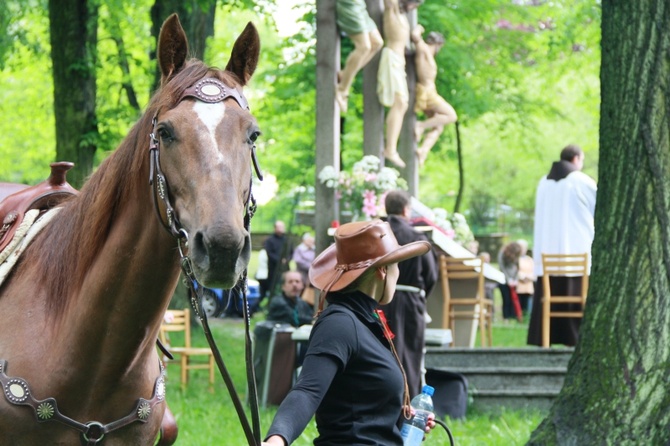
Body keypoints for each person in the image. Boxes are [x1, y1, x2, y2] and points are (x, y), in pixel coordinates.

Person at [263, 219, 436, 445]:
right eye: (397, 266)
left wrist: (400, 418)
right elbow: (307, 391)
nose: (398, 273)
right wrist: (277, 440)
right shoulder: (339, 324)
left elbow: (359, 406)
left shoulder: (365, 321)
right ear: (383, 271)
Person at [527, 144, 597, 346]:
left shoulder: (543, 182)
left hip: (547, 260)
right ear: (576, 159)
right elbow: (600, 210)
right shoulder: (581, 181)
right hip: (577, 255)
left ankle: (547, 338)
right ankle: (575, 338)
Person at [382, 190, 437, 396]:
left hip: (381, 301)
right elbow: (431, 275)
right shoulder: (417, 237)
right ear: (406, 209)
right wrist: (419, 295)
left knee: (383, 352)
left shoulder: (378, 234)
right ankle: (409, 406)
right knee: (410, 356)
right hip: (411, 302)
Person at [377, 0, 423, 168]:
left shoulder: (404, 17)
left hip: (399, 63)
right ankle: (390, 149)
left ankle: (391, 148)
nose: (413, 8)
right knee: (399, 102)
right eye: (413, 4)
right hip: (392, 59)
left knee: (402, 104)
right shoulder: (393, 9)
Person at [411, 25, 458, 166]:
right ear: (437, 44)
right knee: (451, 116)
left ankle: (423, 150)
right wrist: (419, 29)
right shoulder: (424, 49)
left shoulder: (429, 54)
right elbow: (415, 37)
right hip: (427, 92)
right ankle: (420, 126)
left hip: (430, 92)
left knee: (438, 126)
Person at [335, 0, 384, 114]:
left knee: (377, 43)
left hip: (360, 5)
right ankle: (342, 89)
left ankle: (344, 74)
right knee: (364, 47)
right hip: (349, 4)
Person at [263, 220, 293, 301]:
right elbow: (269, 253)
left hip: (285, 267)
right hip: (273, 268)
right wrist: (279, 260)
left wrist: (286, 260)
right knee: (273, 286)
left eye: (282, 227)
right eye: (279, 227)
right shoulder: (269, 240)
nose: (280, 229)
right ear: (275, 228)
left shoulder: (287, 240)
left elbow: (291, 252)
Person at [497, 241, 523, 322]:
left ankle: (514, 317)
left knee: (514, 300)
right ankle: (506, 318)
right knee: (506, 299)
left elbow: (518, 267)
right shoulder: (502, 253)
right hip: (503, 280)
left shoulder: (516, 256)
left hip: (514, 281)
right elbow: (502, 267)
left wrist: (515, 279)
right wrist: (508, 279)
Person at [292, 232, 316, 307]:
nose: (311, 243)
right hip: (302, 274)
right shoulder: (299, 249)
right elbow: (298, 261)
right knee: (300, 291)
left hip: (311, 276)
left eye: (312, 241)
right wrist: (311, 266)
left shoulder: (314, 249)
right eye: (309, 241)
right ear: (304, 241)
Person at [516, 239, 535, 314]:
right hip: (519, 283)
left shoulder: (530, 260)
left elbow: (533, 270)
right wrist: (522, 277)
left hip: (528, 284)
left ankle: (527, 316)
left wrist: (528, 277)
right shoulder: (516, 259)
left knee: (528, 302)